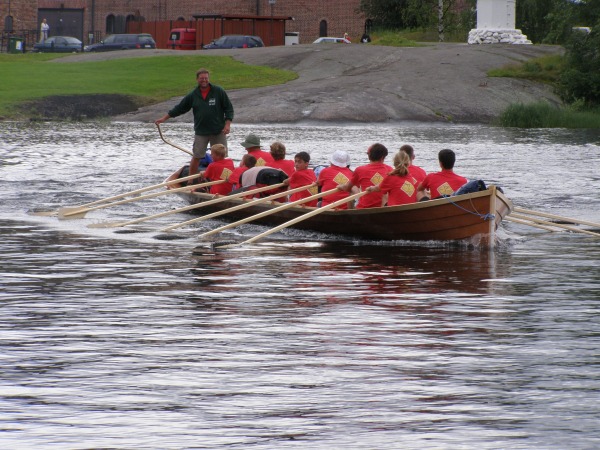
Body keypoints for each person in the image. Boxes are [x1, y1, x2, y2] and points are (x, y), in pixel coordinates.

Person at [155, 68, 234, 183]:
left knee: (222, 157)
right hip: (201, 132)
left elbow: (229, 108)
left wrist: (227, 125)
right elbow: (180, 108)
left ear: (209, 79)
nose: (204, 80)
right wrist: (163, 119)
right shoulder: (193, 95)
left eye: (206, 78)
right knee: (197, 156)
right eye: (202, 78)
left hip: (218, 130)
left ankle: (225, 181)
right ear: (197, 79)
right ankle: (190, 181)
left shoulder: (218, 91)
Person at [338, 143, 393, 209]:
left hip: (364, 208)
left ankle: (349, 215)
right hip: (383, 208)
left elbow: (347, 188)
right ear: (382, 157)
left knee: (351, 193)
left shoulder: (360, 170)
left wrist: (340, 186)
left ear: (369, 156)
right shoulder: (390, 170)